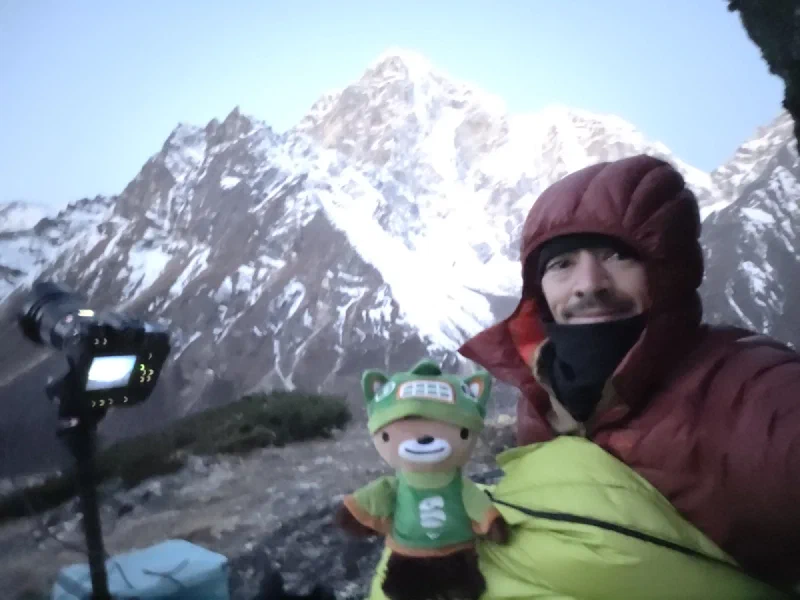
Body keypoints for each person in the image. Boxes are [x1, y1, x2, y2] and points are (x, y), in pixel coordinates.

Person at [450, 153, 800, 590]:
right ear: (537, 292)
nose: (589, 283)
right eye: (561, 264)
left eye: (618, 256)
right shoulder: (542, 397)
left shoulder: (748, 387)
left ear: (667, 273)